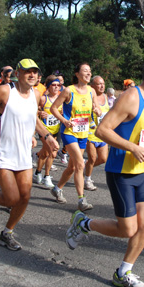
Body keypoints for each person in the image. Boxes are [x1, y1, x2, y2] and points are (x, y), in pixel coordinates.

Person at [64, 55, 144, 287]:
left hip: (142, 171)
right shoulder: (131, 97)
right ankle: (83, 223)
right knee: (127, 229)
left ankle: (124, 272)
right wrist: (133, 147)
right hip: (121, 172)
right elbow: (102, 130)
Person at [0, 59, 59, 251]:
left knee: (25, 197)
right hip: (4, 153)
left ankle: (7, 232)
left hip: (24, 153)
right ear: (18, 73)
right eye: (27, 72)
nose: (32, 75)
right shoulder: (5, 91)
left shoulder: (35, 93)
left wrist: (47, 137)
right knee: (11, 199)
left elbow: (33, 118)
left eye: (35, 72)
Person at [49, 63, 100, 211]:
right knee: (80, 164)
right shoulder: (68, 91)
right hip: (69, 132)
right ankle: (81, 200)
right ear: (77, 74)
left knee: (71, 167)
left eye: (90, 71)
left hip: (83, 133)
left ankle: (57, 188)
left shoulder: (92, 91)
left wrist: (96, 110)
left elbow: (96, 109)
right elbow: (53, 108)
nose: (88, 73)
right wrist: (64, 120)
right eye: (85, 71)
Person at [33, 75, 61, 188]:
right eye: (53, 85)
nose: (56, 87)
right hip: (44, 130)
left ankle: (38, 172)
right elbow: (33, 109)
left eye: (58, 85)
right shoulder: (43, 98)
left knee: (44, 153)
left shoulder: (61, 98)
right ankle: (47, 176)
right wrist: (40, 112)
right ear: (48, 87)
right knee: (53, 152)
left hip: (56, 130)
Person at [84, 75, 111, 191]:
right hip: (90, 132)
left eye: (103, 83)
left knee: (104, 159)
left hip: (102, 134)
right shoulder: (89, 97)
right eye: (99, 84)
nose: (102, 86)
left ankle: (85, 167)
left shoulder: (106, 97)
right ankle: (87, 179)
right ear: (92, 86)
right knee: (92, 158)